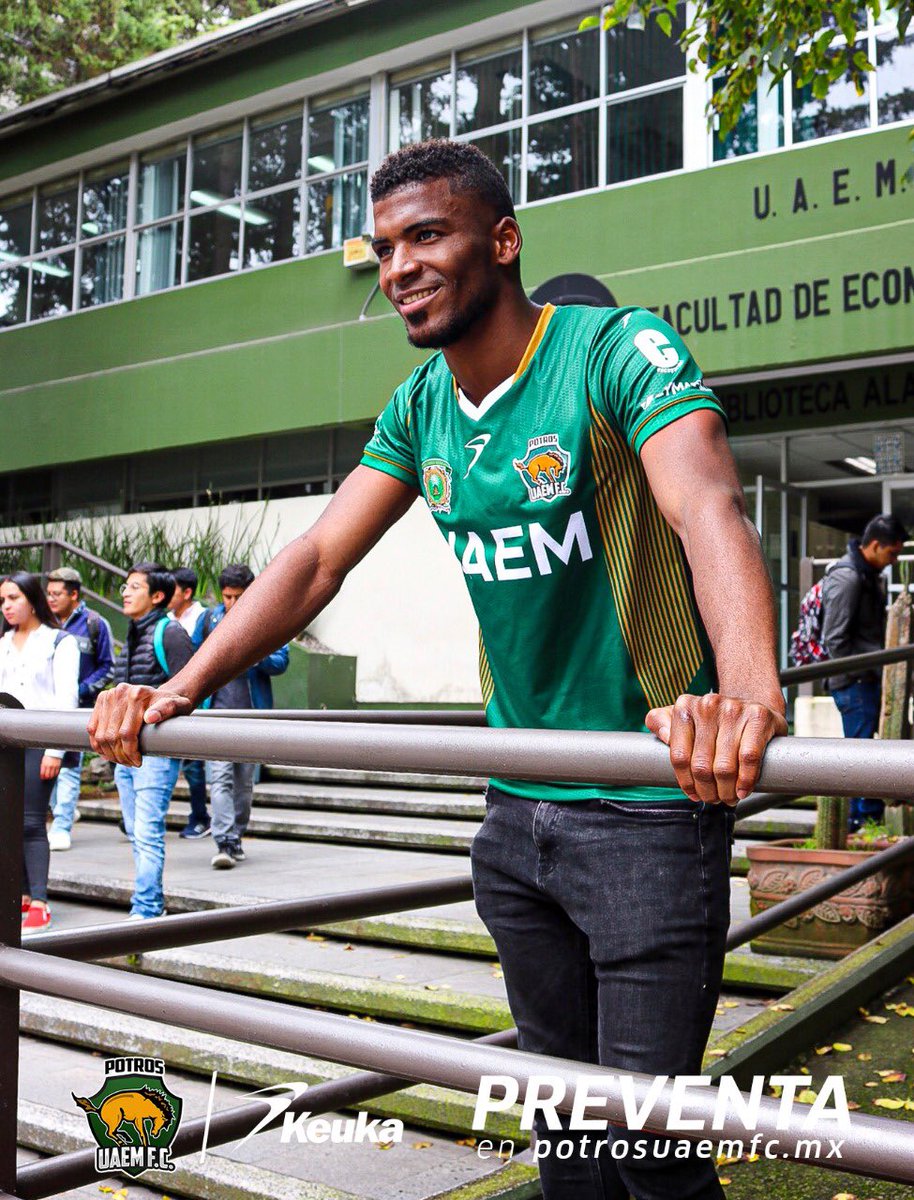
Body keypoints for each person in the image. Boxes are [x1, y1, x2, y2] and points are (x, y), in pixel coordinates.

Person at [90, 140, 786, 1198]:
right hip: (514, 818)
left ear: (501, 242)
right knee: (569, 1140)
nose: (398, 266)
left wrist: (744, 695)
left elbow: (704, 508)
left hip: (646, 809)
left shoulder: (612, 349)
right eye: (382, 249)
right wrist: (179, 686)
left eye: (426, 235)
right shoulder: (420, 406)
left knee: (651, 1151)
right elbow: (317, 558)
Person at [112, 562, 195, 919]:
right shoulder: (132, 632)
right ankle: (150, 902)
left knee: (146, 832)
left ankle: (145, 909)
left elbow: (191, 688)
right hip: (125, 750)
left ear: (157, 596)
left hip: (156, 751)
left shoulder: (168, 632)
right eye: (125, 586)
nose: (125, 593)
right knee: (135, 831)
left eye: (134, 586)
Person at [193, 564, 289, 869]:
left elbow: (280, 661)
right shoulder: (209, 619)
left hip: (251, 719)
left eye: (239, 597)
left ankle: (237, 833)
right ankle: (225, 840)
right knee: (219, 779)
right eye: (227, 597)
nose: (233, 603)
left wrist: (249, 653)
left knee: (245, 785)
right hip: (216, 717)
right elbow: (194, 657)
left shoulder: (270, 617)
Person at [0, 571, 80, 930]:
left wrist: (55, 750)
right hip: (5, 741)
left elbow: (66, 699)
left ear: (32, 599)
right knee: (6, 823)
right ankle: (20, 894)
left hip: (38, 741)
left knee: (32, 821)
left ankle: (40, 901)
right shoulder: (2, 643)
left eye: (13, 598)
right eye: (2, 600)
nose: (7, 606)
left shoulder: (59, 642)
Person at [822, 512, 908, 830]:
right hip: (854, 681)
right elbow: (835, 638)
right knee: (861, 753)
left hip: (867, 677)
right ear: (874, 545)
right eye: (892, 553)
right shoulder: (848, 578)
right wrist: (863, 669)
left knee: (867, 748)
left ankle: (866, 820)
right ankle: (862, 822)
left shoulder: (870, 576)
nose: (893, 560)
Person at [45, 566, 115, 851]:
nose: (51, 599)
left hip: (78, 710)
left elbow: (107, 667)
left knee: (70, 767)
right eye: (48, 593)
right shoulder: (42, 623)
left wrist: (81, 691)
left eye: (57, 594)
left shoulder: (95, 624)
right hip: (44, 710)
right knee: (46, 768)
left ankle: (61, 825)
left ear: (74, 594)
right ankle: (63, 809)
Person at [168, 566, 211, 840]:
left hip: (198, 701)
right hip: (170, 699)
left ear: (186, 592)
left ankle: (200, 817)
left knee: (194, 766)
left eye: (172, 590)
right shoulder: (166, 619)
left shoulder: (205, 618)